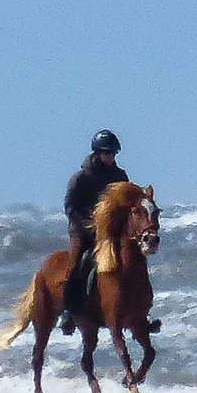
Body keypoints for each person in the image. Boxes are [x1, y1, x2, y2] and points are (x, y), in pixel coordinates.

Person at [61, 129, 131, 333]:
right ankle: (67, 312)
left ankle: (140, 308)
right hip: (82, 230)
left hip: (110, 230)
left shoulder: (120, 176)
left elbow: (126, 203)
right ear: (97, 153)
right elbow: (70, 207)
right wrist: (88, 226)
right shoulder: (80, 178)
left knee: (131, 259)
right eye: (107, 153)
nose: (111, 157)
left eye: (113, 153)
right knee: (75, 264)